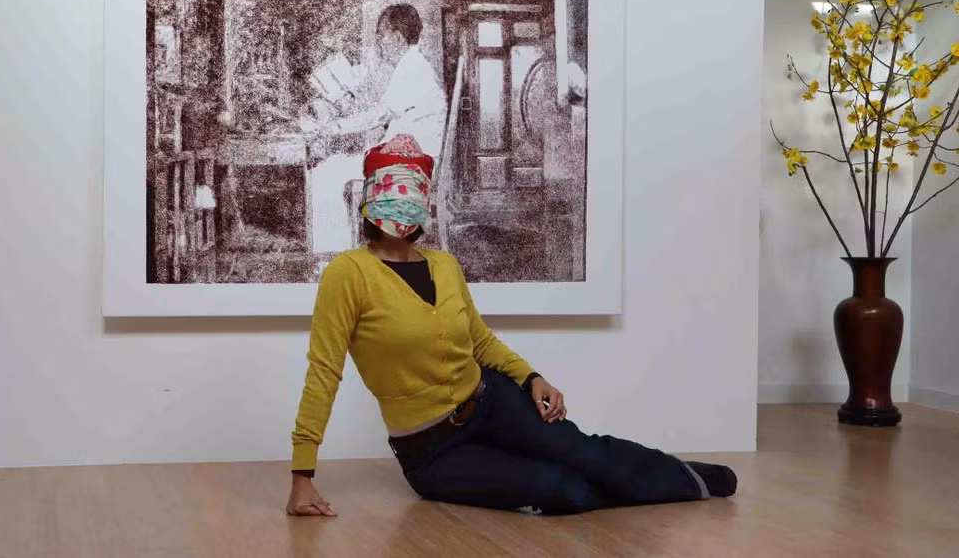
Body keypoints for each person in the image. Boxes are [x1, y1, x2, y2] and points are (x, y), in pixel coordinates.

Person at [286, 133, 738, 517]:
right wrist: (302, 475)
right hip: (432, 453)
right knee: (564, 489)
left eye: (413, 193)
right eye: (391, 192)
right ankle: (649, 485)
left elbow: (479, 342)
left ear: (426, 199)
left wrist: (531, 377)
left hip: (491, 400)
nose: (402, 206)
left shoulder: (445, 265)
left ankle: (685, 477)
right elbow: (324, 371)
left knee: (586, 453)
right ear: (369, 199)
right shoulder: (348, 274)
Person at [302, 4, 446, 256]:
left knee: (324, 173)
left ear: (396, 37)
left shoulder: (414, 69)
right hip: (410, 159)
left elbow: (378, 115)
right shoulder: (413, 66)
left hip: (408, 165)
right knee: (333, 166)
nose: (378, 41)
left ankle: (330, 256)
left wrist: (332, 127)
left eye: (380, 34)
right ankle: (337, 250)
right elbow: (384, 111)